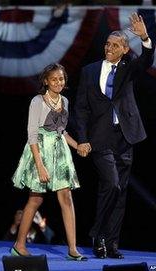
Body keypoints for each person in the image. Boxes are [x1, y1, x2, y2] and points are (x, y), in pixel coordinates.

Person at [74, 13, 154, 259]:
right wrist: (83, 138)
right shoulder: (89, 71)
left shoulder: (128, 67)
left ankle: (111, 244)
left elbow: (146, 60)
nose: (109, 48)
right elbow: (81, 108)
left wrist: (144, 38)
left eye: (115, 45)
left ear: (125, 49)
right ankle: (98, 235)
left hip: (125, 136)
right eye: (107, 44)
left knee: (119, 193)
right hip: (99, 138)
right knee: (112, 183)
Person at [11, 63, 87, 261]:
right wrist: (40, 165)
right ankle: (19, 245)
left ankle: (72, 248)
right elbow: (32, 134)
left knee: (66, 197)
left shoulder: (65, 101)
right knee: (35, 199)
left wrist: (77, 145)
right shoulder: (38, 101)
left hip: (60, 153)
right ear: (46, 81)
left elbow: (61, 131)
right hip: (40, 152)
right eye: (54, 79)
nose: (58, 82)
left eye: (61, 79)